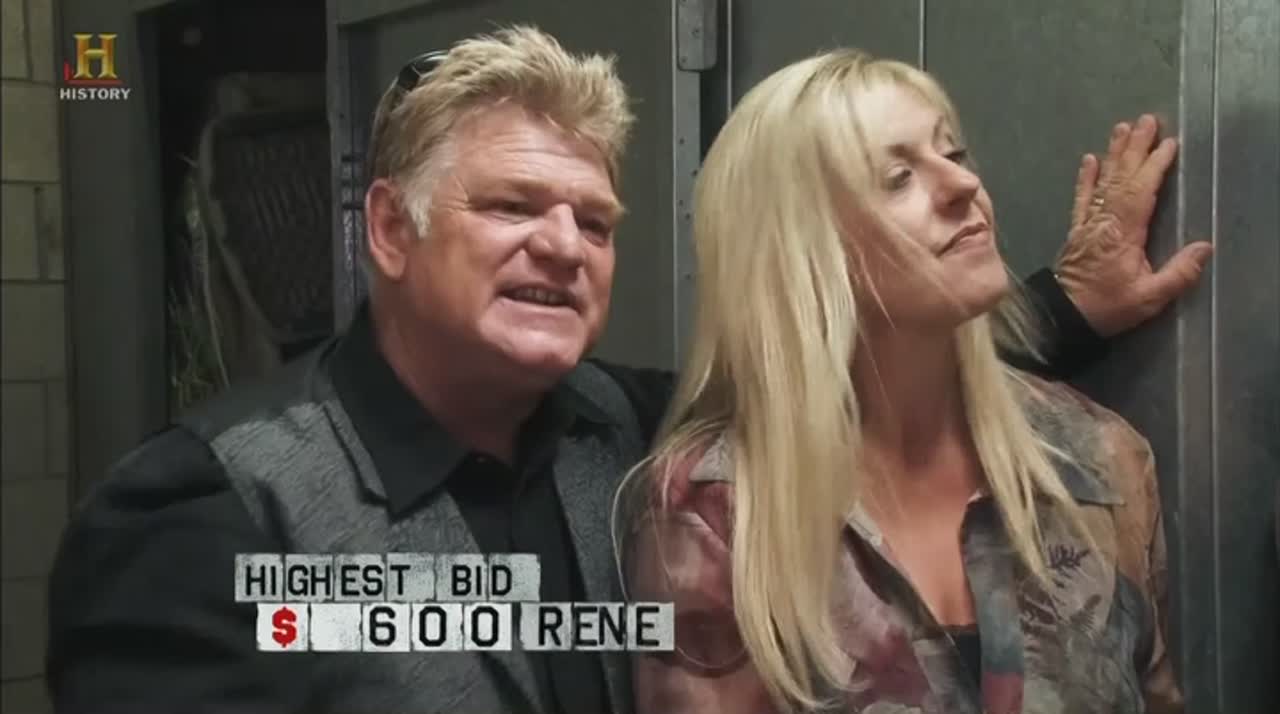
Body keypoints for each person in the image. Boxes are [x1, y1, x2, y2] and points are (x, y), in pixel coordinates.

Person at [45, 26, 1207, 714]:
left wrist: (1061, 304)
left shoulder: (628, 435)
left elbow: (843, 369)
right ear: (390, 230)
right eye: (513, 206)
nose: (562, 244)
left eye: (593, 222)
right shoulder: (212, 511)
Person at [619, 50, 1188, 714]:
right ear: (802, 251)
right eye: (898, 178)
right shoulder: (715, 514)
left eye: (954, 153)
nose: (962, 184)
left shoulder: (1100, 458)